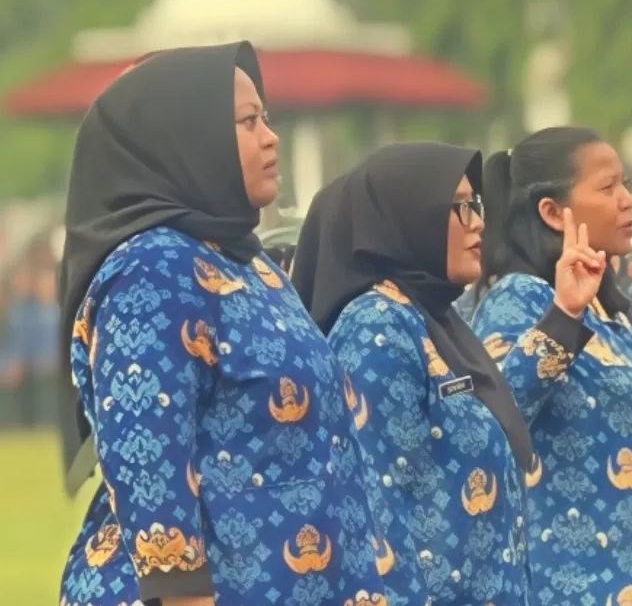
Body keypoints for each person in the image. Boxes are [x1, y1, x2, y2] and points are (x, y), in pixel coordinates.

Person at [58, 42, 387, 606]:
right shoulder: (153, 271)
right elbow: (148, 460)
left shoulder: (252, 264)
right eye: (248, 121)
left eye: (267, 118)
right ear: (190, 138)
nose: (271, 137)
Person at [290, 142, 534, 605]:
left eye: (476, 204)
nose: (478, 222)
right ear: (408, 217)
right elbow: (378, 516)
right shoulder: (377, 327)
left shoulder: (434, 319)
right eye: (459, 207)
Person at [470, 127, 632, 605]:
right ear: (551, 212)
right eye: (608, 187)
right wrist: (563, 316)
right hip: (570, 585)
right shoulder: (519, 299)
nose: (627, 200)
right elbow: (494, 418)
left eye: (626, 184)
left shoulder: (608, 309)